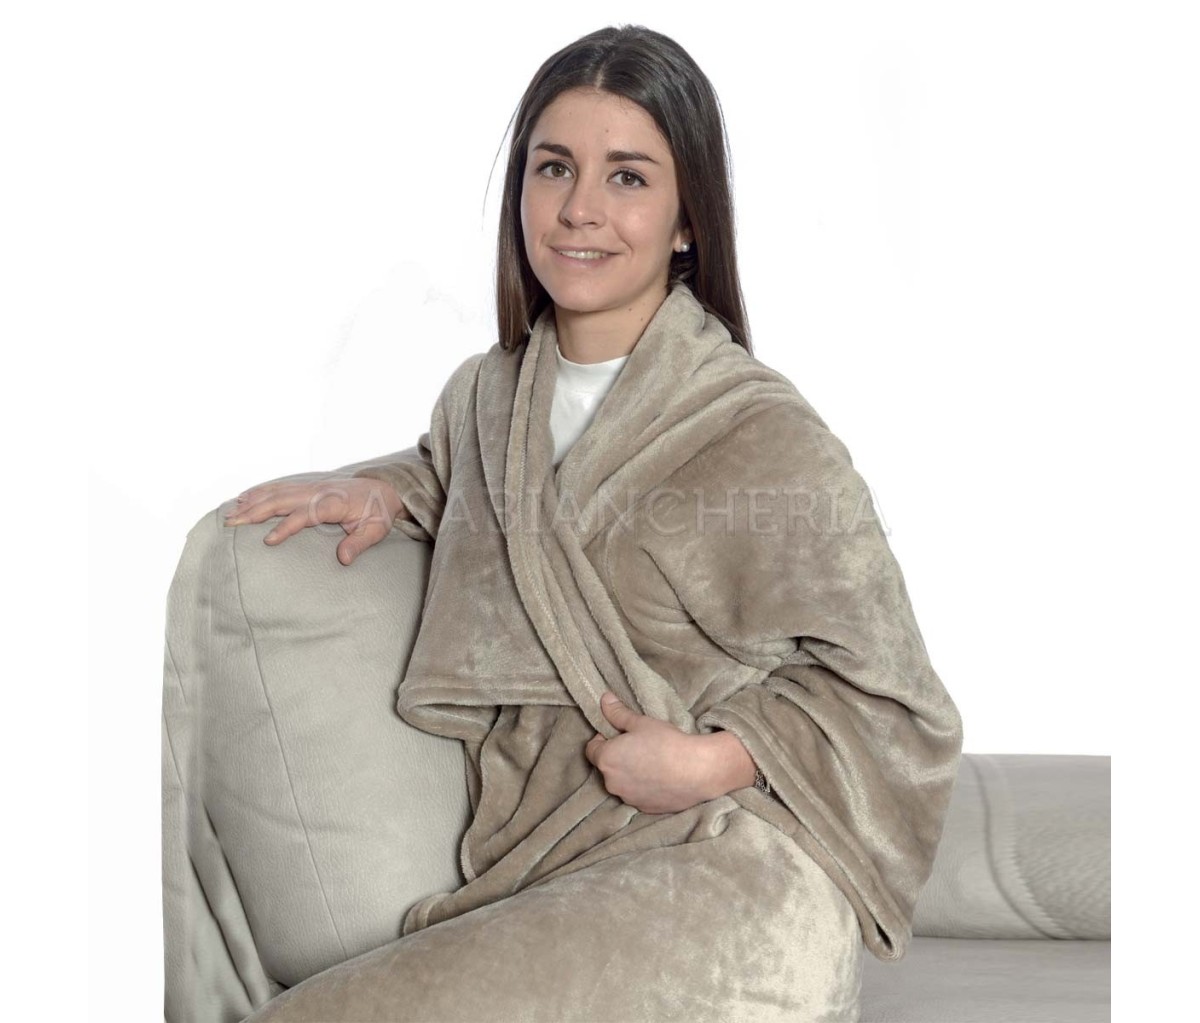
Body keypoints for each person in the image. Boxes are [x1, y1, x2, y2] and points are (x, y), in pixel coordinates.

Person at [224, 24, 963, 1023]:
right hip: (549, 870)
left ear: (688, 219)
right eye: (554, 168)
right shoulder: (483, 404)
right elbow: (509, 501)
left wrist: (712, 760)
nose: (580, 207)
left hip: (730, 876)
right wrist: (394, 488)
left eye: (627, 177)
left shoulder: (757, 433)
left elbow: (903, 706)